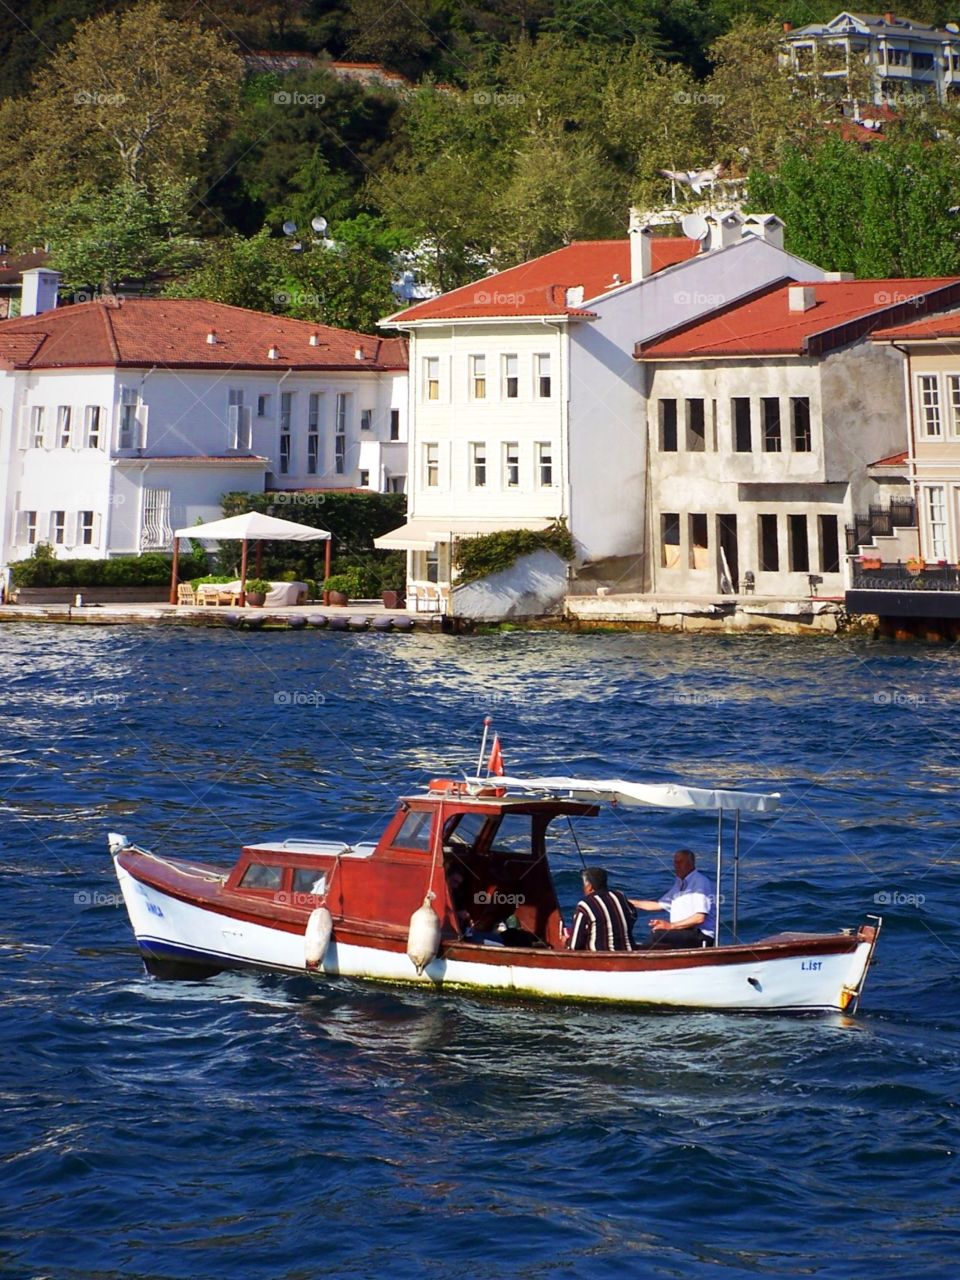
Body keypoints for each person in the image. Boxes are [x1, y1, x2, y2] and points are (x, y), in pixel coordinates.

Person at [631, 849, 716, 949]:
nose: (676, 866)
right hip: (683, 931)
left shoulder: (700, 882)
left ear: (691, 863)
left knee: (657, 936)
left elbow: (699, 918)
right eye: (675, 862)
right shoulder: (680, 883)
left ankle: (638, 961)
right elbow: (659, 905)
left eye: (680, 862)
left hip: (700, 935)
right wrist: (630, 902)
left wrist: (671, 926)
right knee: (657, 932)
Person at [568, 867, 637, 952]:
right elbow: (633, 916)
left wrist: (566, 941)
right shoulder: (620, 896)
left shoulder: (585, 904)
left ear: (589, 887)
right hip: (628, 952)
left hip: (600, 959)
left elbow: (574, 945)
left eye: (584, 885)